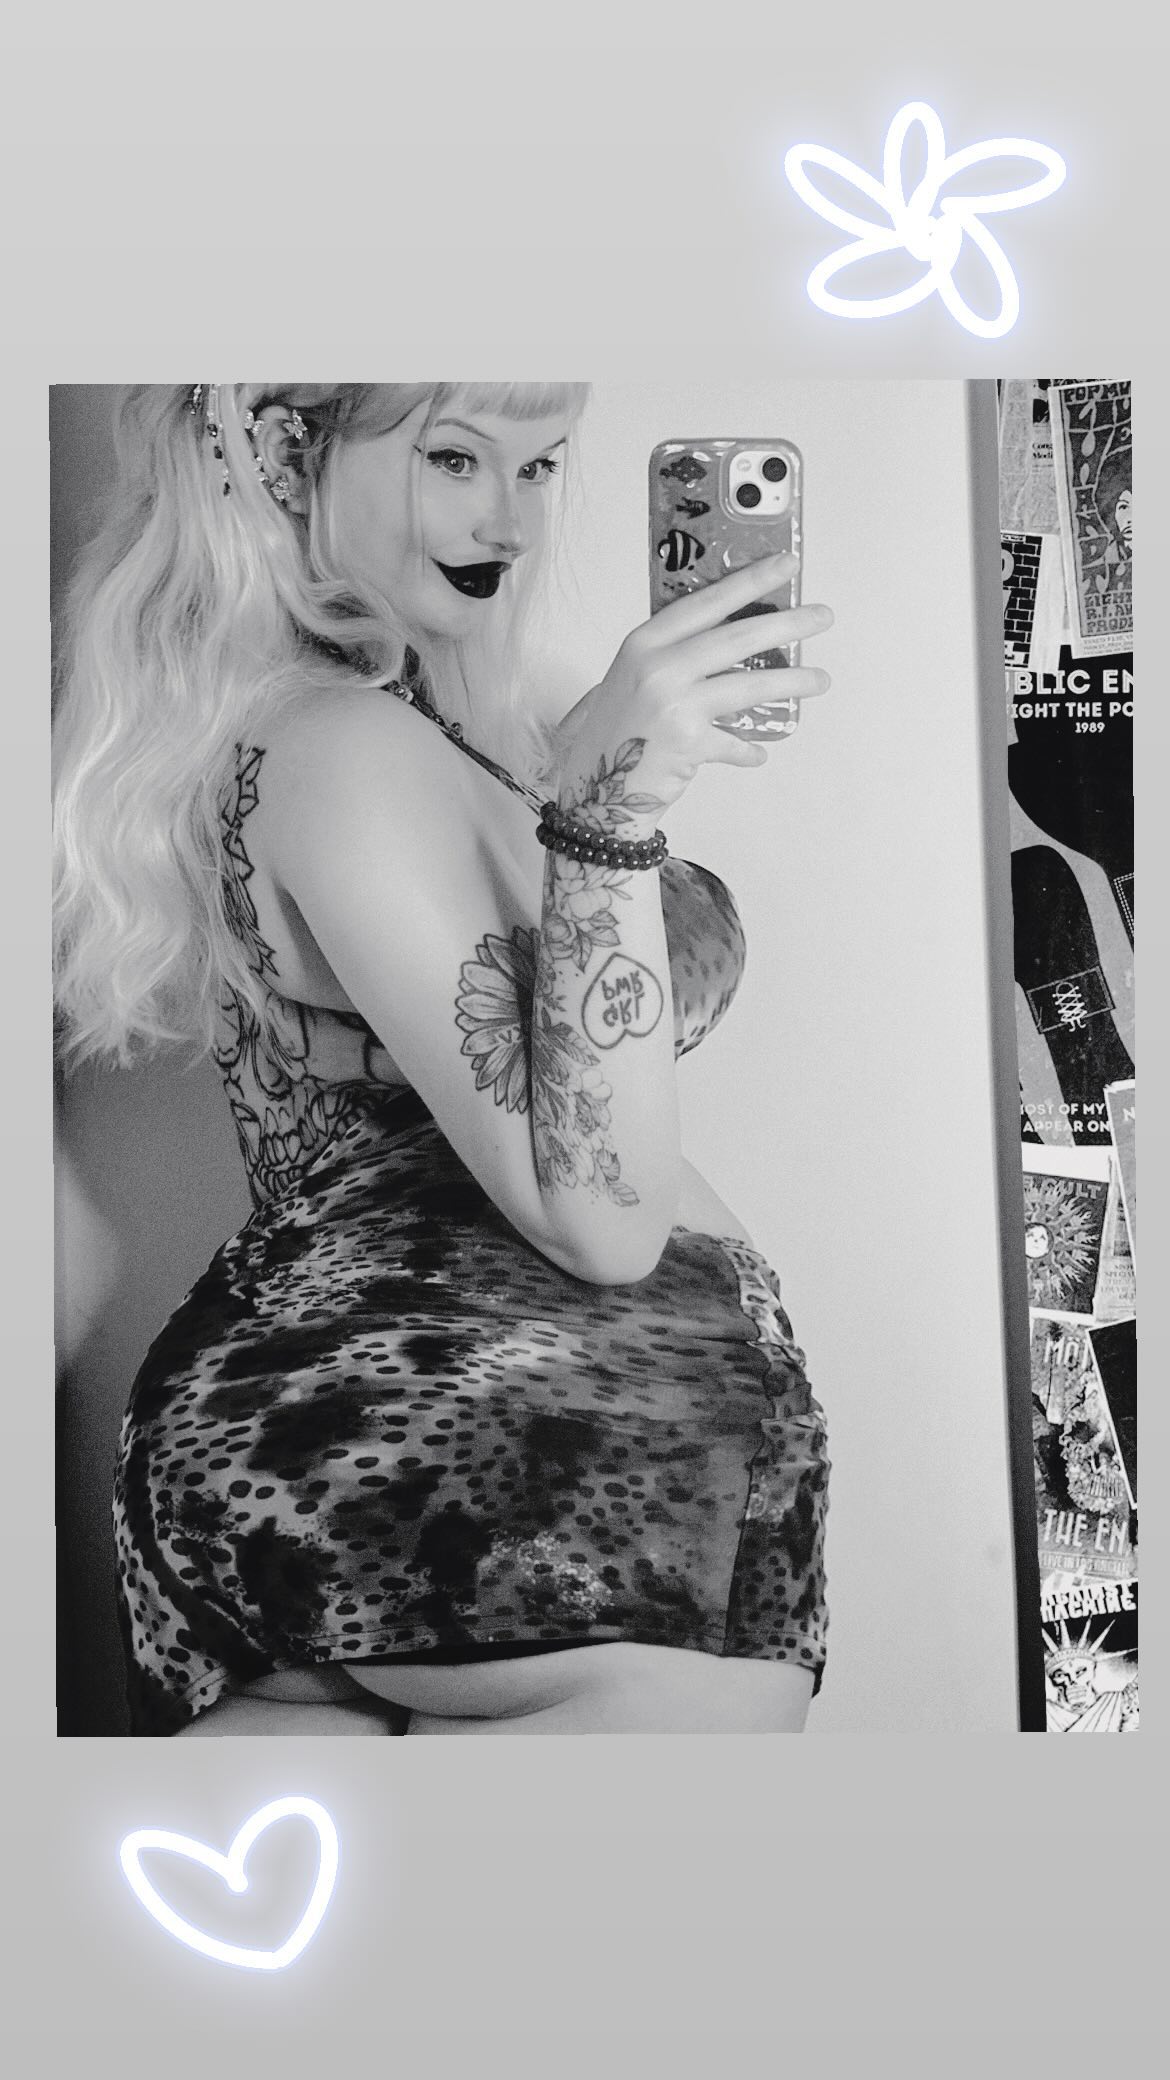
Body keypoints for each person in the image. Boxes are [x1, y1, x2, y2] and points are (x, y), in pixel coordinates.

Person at [53, 383, 833, 1736]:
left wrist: (580, 787)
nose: (510, 521)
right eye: (456, 457)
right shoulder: (339, 744)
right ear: (281, 450)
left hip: (402, 1460)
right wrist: (607, 814)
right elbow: (601, 1223)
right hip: (547, 1495)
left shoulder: (370, 734)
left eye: (540, 465)